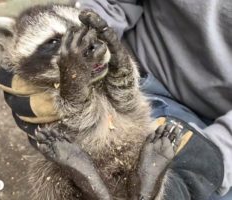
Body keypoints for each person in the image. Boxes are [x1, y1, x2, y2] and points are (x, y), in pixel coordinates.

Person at [0, 0, 232, 199]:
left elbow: (79, 113)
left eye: (86, 35)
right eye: (55, 43)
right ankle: (141, 184)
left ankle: (95, 181)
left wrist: (221, 154)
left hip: (221, 129)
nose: (85, 45)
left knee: (54, 167)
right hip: (144, 83)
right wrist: (116, 55)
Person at [73, 0, 232, 199]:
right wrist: (75, 50)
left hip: (220, 136)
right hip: (137, 78)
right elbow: (109, 6)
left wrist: (215, 158)